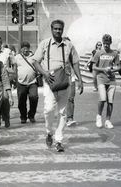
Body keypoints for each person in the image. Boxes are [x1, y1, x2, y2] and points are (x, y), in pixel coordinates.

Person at [32, 20, 83, 152]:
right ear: (51, 29)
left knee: (63, 112)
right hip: (50, 82)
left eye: (60, 29)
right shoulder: (45, 44)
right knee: (48, 109)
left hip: (65, 82)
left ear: (63, 29)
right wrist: (45, 73)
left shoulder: (68, 45)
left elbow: (75, 62)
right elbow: (35, 62)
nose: (58, 31)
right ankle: (49, 132)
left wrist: (80, 80)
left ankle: (59, 140)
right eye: (55, 29)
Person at [93, 34, 120, 129]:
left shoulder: (114, 53)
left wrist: (112, 70)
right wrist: (103, 69)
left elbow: (119, 67)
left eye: (107, 44)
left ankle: (108, 120)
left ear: (110, 43)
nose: (106, 45)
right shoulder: (99, 53)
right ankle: (99, 116)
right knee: (103, 98)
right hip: (101, 78)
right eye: (104, 43)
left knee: (110, 101)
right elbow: (94, 67)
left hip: (111, 80)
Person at [0, 35, 15, 128]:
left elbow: (14, 64)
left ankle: (6, 117)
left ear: (1, 44)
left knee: (5, 98)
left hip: (5, 79)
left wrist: (13, 76)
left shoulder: (7, 52)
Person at [14, 41, 39, 124]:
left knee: (34, 97)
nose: (25, 49)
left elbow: (38, 66)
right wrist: (14, 79)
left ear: (29, 48)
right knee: (21, 101)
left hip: (32, 82)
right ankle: (23, 116)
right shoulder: (17, 57)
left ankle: (31, 115)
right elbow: (14, 68)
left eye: (26, 48)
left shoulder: (34, 56)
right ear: (21, 49)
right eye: (23, 48)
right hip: (21, 83)